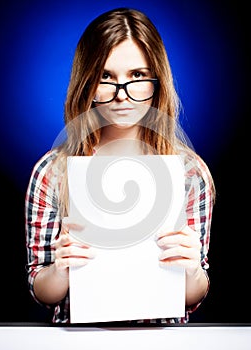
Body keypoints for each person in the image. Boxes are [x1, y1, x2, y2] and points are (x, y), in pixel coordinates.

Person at [25, 7, 215, 324]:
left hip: (163, 341)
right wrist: (60, 268)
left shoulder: (191, 173)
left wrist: (193, 267)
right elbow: (41, 289)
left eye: (137, 76)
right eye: (106, 77)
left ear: (157, 82)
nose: (121, 95)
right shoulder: (52, 172)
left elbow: (194, 294)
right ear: (87, 82)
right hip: (79, 341)